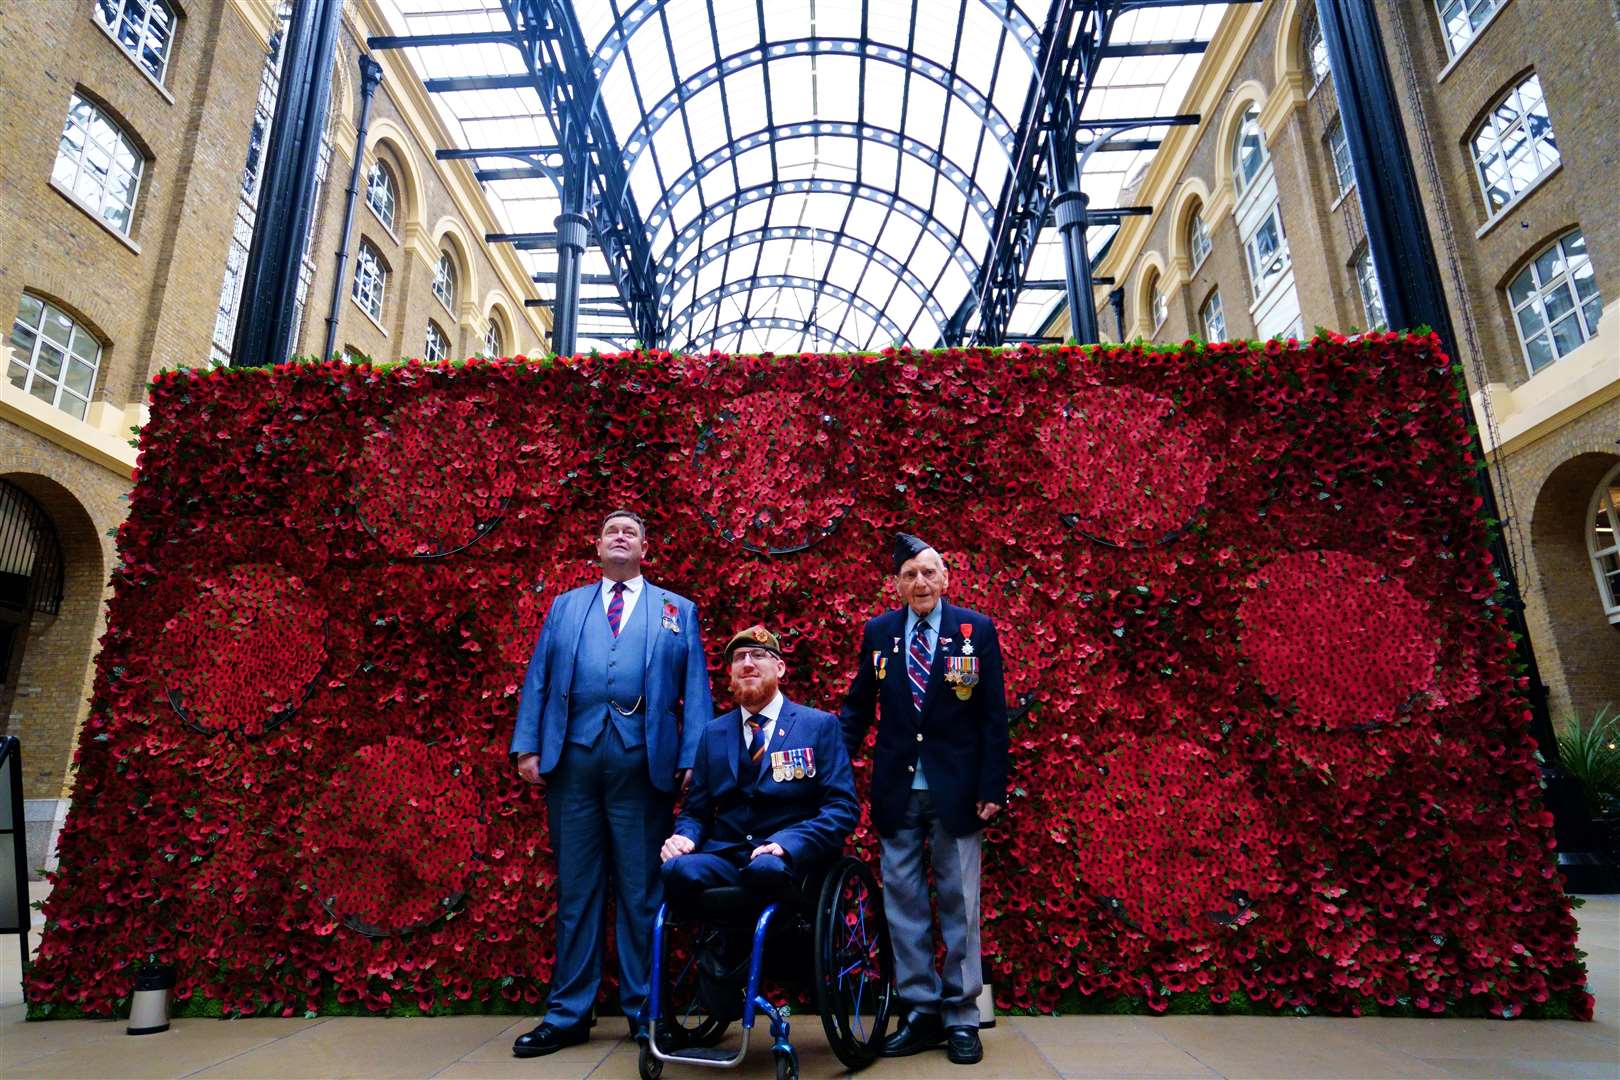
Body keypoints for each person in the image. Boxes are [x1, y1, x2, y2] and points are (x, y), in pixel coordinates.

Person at [509, 510, 713, 1057]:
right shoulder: (565, 606)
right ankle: (568, 1014)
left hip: (643, 767)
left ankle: (647, 1013)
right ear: (597, 546)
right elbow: (540, 676)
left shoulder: (678, 610)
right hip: (572, 762)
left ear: (645, 549)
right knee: (577, 891)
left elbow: (695, 685)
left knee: (642, 893)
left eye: (631, 533)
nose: (620, 538)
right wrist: (527, 742)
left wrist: (693, 753)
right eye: (611, 532)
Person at [839, 532, 1008, 1066]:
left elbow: (992, 717)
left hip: (957, 794)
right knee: (904, 906)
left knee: (959, 903)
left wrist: (991, 787)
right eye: (910, 574)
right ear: (897, 584)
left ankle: (960, 1017)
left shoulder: (974, 630)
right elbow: (858, 710)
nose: (920, 582)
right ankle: (921, 1012)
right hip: (897, 793)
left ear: (946, 578)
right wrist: (832, 770)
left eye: (928, 572)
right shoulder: (880, 633)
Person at [660, 626, 859, 1018]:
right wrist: (681, 837)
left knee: (767, 868)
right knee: (676, 871)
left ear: (780, 667)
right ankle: (726, 961)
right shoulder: (713, 734)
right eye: (738, 659)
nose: (747, 663)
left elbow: (841, 808)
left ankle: (735, 959)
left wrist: (788, 844)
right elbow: (697, 811)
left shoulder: (818, 726)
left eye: (758, 655)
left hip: (788, 861)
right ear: (731, 676)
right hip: (729, 856)